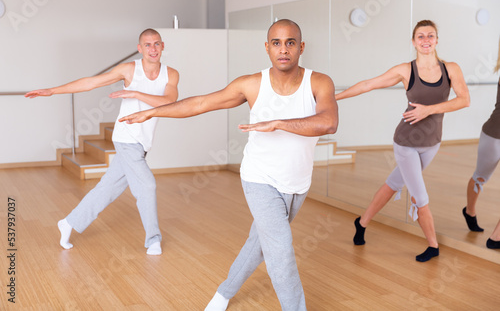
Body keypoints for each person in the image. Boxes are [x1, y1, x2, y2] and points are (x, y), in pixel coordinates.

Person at [120, 19, 338, 311]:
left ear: (301, 47)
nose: (283, 49)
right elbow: (200, 104)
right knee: (280, 251)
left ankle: (223, 293)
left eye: (289, 43)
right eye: (276, 43)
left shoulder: (319, 82)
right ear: (267, 48)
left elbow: (328, 122)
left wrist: (279, 123)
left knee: (260, 244)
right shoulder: (251, 84)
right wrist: (153, 112)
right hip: (259, 179)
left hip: (298, 183)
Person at [25, 28, 179, 255]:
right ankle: (153, 239)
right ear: (140, 49)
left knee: (107, 188)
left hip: (143, 142)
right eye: (147, 45)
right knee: (147, 185)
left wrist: (136, 94)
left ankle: (69, 222)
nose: (153, 49)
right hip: (126, 138)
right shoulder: (129, 70)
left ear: (163, 46)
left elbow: (169, 101)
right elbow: (91, 82)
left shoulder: (171, 74)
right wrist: (53, 91)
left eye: (156, 44)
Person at [335, 20, 470, 262]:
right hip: (406, 142)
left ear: (437, 40)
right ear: (413, 41)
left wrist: (428, 110)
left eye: (430, 36)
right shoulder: (405, 71)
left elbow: (464, 100)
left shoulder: (451, 69)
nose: (426, 40)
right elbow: (368, 84)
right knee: (421, 196)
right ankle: (433, 246)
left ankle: (362, 222)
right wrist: (334, 98)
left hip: (432, 142)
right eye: (421, 36)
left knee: (393, 184)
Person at [463, 38, 500, 250]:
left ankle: (496, 236)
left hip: (493, 135)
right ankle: (469, 211)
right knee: (480, 177)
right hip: (494, 135)